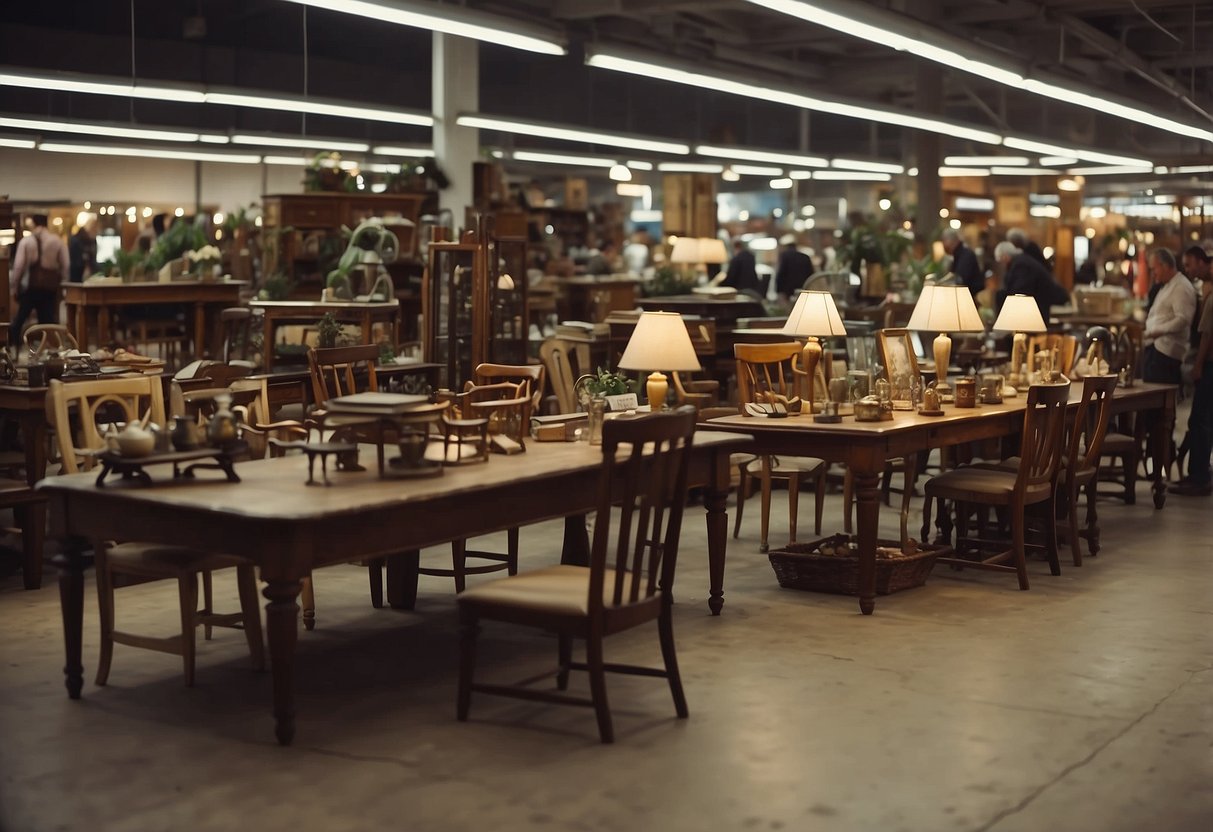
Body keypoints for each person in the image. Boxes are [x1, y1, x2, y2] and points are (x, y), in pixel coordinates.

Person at [1173, 280, 1213, 496]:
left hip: (1209, 364)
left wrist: (1198, 365)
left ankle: (1199, 477)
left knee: (1199, 420)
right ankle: (1199, 473)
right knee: (1203, 420)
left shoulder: (1212, 301)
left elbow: (1207, 336)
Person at [9, 214, 69, 345]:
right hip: (49, 288)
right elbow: (65, 265)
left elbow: (18, 266)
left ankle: (12, 348)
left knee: (20, 319)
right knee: (48, 321)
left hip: (31, 288)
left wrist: (14, 286)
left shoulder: (27, 241)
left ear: (34, 224)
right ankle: (49, 350)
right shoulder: (57, 241)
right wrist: (62, 284)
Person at [1141, 248, 1196, 385]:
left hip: (1166, 351)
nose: (1153, 274)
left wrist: (1157, 331)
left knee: (1158, 397)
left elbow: (1183, 319)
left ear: (1165, 266)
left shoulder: (1181, 286)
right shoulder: (1167, 285)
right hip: (1157, 347)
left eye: (1155, 269)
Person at [994, 240, 1068, 322]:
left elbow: (1021, 290)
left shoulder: (1021, 265)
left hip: (1038, 307)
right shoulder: (1021, 260)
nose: (1001, 264)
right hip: (1038, 305)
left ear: (1005, 256)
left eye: (1000, 260)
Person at [941, 228, 981, 296]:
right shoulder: (957, 255)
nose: (943, 245)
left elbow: (960, 279)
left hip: (969, 297)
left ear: (951, 241)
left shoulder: (966, 255)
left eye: (944, 241)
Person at [774, 234, 814, 301]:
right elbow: (811, 275)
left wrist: (778, 291)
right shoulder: (805, 257)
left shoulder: (784, 256)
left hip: (787, 291)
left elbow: (781, 273)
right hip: (803, 289)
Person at [68, 214, 98, 283]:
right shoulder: (76, 241)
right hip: (78, 276)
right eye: (94, 226)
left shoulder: (92, 241)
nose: (96, 229)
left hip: (87, 275)